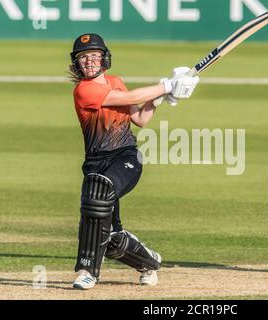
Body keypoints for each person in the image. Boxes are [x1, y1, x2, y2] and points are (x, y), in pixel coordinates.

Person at [69, 33, 199, 289]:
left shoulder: (115, 81)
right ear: (77, 63)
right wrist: (167, 86)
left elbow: (139, 119)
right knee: (111, 238)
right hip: (96, 163)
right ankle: (149, 262)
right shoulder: (84, 90)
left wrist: (158, 99)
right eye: (84, 58)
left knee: (99, 191)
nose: (89, 62)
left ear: (104, 58)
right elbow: (129, 99)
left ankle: (87, 270)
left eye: (94, 56)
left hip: (126, 157)